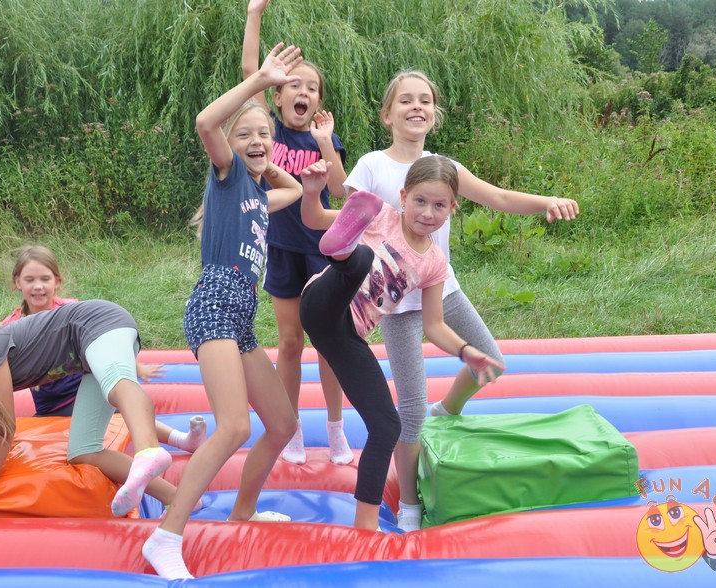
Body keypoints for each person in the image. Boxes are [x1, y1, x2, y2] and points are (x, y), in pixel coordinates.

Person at [343, 70, 580, 531]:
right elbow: (349, 223)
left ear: (434, 113)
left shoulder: (444, 167)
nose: (416, 106)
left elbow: (500, 197)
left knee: (491, 360)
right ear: (387, 114)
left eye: (425, 100)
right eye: (405, 100)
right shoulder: (372, 165)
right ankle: (409, 503)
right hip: (397, 304)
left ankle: (448, 409)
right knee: (410, 410)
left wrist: (547, 200)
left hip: (442, 288)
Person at [138, 42, 305, 580]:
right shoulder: (228, 178)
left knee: (282, 423)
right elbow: (205, 121)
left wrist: (267, 162)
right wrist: (258, 85)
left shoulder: (256, 198)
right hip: (213, 304)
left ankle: (243, 511)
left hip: (241, 318)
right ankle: (166, 536)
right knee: (233, 426)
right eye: (245, 136)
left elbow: (294, 189)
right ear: (228, 148)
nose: (257, 142)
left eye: (265, 135)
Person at [299, 155, 506, 531]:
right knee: (361, 258)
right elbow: (313, 220)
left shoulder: (434, 263)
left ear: (452, 209)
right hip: (321, 301)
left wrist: (465, 350)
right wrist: (312, 193)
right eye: (420, 201)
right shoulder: (381, 216)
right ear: (403, 197)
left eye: (439, 205)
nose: (427, 213)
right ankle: (341, 252)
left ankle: (364, 527)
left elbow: (434, 325)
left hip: (345, 334)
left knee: (387, 426)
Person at [0, 300, 186, 525]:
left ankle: (148, 449)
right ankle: (177, 499)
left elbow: (4, 428)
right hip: (88, 358)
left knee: (115, 384)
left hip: (99, 323)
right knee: (85, 452)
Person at [242, 0, 352, 465]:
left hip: (323, 251)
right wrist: (254, 15)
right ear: (278, 98)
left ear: (317, 104)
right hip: (283, 250)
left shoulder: (324, 140)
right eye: (293, 85)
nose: (302, 92)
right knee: (290, 343)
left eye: (312, 88)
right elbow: (250, 72)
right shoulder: (269, 133)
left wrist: (326, 145)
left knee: (328, 343)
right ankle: (291, 429)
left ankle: (335, 427)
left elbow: (340, 191)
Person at [1, 245, 205, 453]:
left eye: (45, 279)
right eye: (30, 280)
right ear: (18, 282)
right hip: (50, 405)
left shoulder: (71, 310)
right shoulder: (12, 327)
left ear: (57, 281)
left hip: (85, 386)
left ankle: (181, 440)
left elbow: (103, 341)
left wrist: (135, 367)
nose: (38, 286)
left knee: (122, 411)